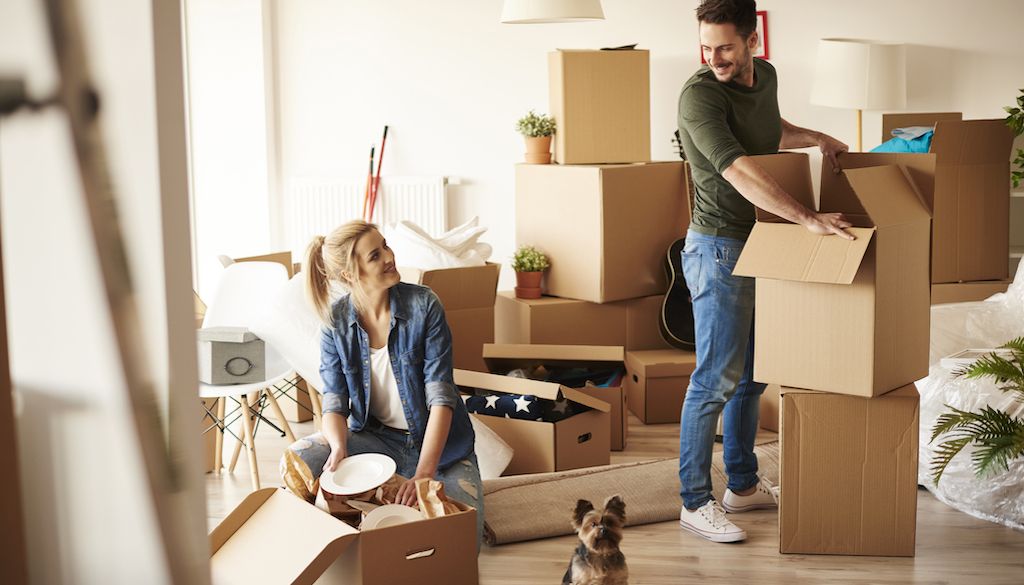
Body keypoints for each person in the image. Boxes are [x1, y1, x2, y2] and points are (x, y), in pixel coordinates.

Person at [675, 0, 853, 543]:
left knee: (752, 377)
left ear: (753, 42)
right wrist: (807, 218)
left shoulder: (766, 76)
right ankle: (694, 500)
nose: (714, 57)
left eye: (725, 46)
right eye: (706, 47)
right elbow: (739, 166)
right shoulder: (699, 93)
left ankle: (743, 485)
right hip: (719, 249)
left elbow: (767, 132)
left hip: (761, 241)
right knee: (714, 380)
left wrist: (817, 138)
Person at [280, 219, 484, 545]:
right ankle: (343, 530)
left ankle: (388, 496)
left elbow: (441, 398)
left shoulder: (424, 306)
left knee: (460, 537)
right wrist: (339, 447)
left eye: (385, 245)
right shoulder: (336, 321)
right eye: (375, 255)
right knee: (301, 457)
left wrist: (423, 474)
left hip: (442, 449)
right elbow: (334, 399)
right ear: (350, 275)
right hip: (375, 440)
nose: (389, 256)